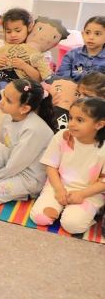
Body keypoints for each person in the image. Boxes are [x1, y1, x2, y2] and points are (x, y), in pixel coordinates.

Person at [30, 97, 105, 235]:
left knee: (72, 225)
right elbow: (51, 166)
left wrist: (81, 194)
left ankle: (91, 213)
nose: (71, 123)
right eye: (71, 118)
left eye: (79, 120)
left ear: (99, 125)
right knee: (40, 217)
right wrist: (59, 190)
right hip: (58, 185)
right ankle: (65, 208)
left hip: (90, 193)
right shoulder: (62, 136)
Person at [0, 7, 50, 84]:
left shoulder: (37, 50)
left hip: (25, 86)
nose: (13, 35)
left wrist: (24, 66)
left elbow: (40, 79)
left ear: (29, 27)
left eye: (18, 31)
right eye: (8, 31)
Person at [56, 16, 105, 81]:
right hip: (71, 86)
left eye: (97, 34)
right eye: (87, 33)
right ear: (82, 34)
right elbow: (62, 76)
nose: (91, 37)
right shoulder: (72, 54)